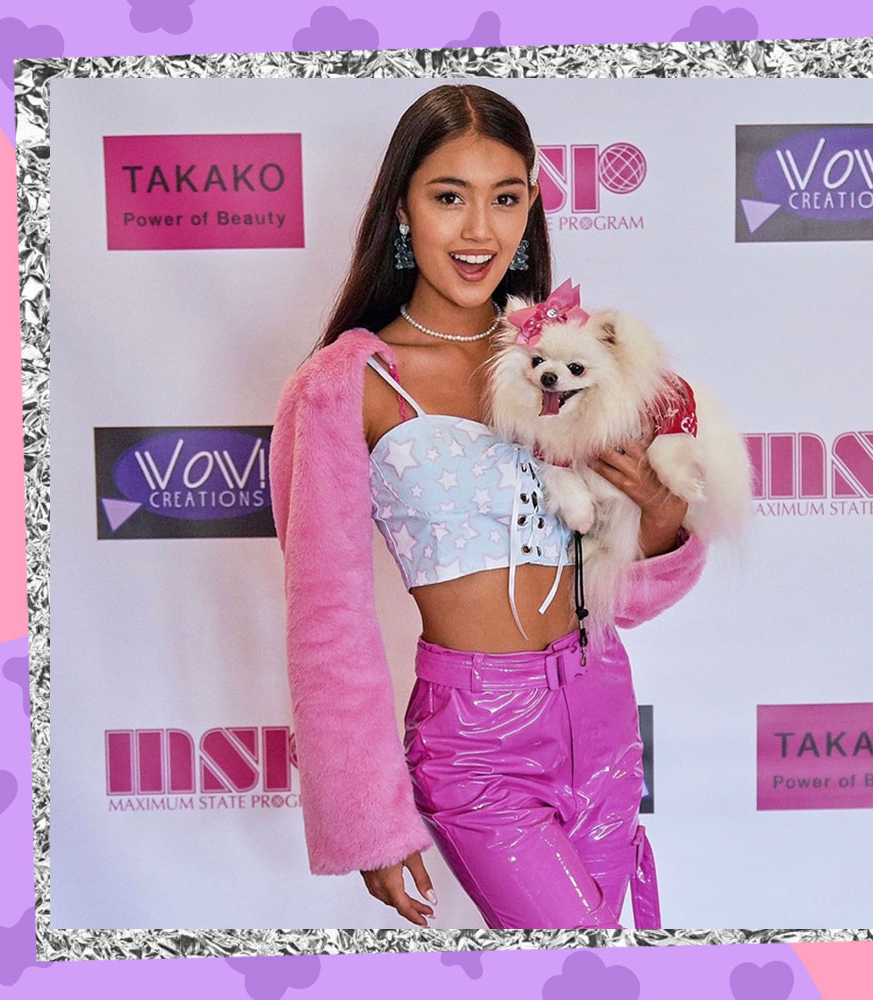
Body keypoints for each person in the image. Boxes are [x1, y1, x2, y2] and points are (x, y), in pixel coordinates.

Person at [269, 83, 706, 930]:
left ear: (530, 208)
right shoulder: (343, 384)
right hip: (474, 739)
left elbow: (628, 592)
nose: (480, 232)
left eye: (505, 198)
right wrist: (368, 819)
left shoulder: (569, 359)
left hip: (602, 703)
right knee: (580, 960)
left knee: (628, 949)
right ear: (402, 208)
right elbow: (327, 620)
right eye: (448, 198)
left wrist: (656, 514)